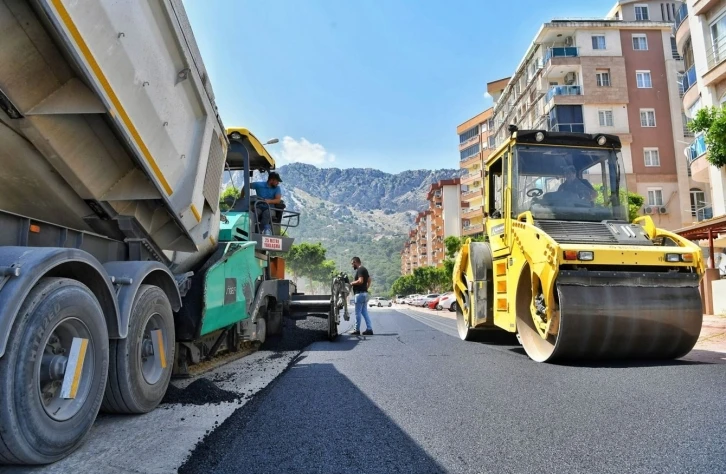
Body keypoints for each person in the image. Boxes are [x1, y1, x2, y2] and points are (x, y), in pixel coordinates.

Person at [350, 257, 373, 336]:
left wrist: (352, 283)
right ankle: (369, 329)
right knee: (364, 312)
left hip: (359, 294)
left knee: (358, 313)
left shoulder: (360, 269)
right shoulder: (364, 269)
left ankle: (357, 330)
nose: (352, 266)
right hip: (365, 294)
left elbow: (360, 281)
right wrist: (366, 288)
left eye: (352, 264)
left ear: (355, 262)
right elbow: (369, 280)